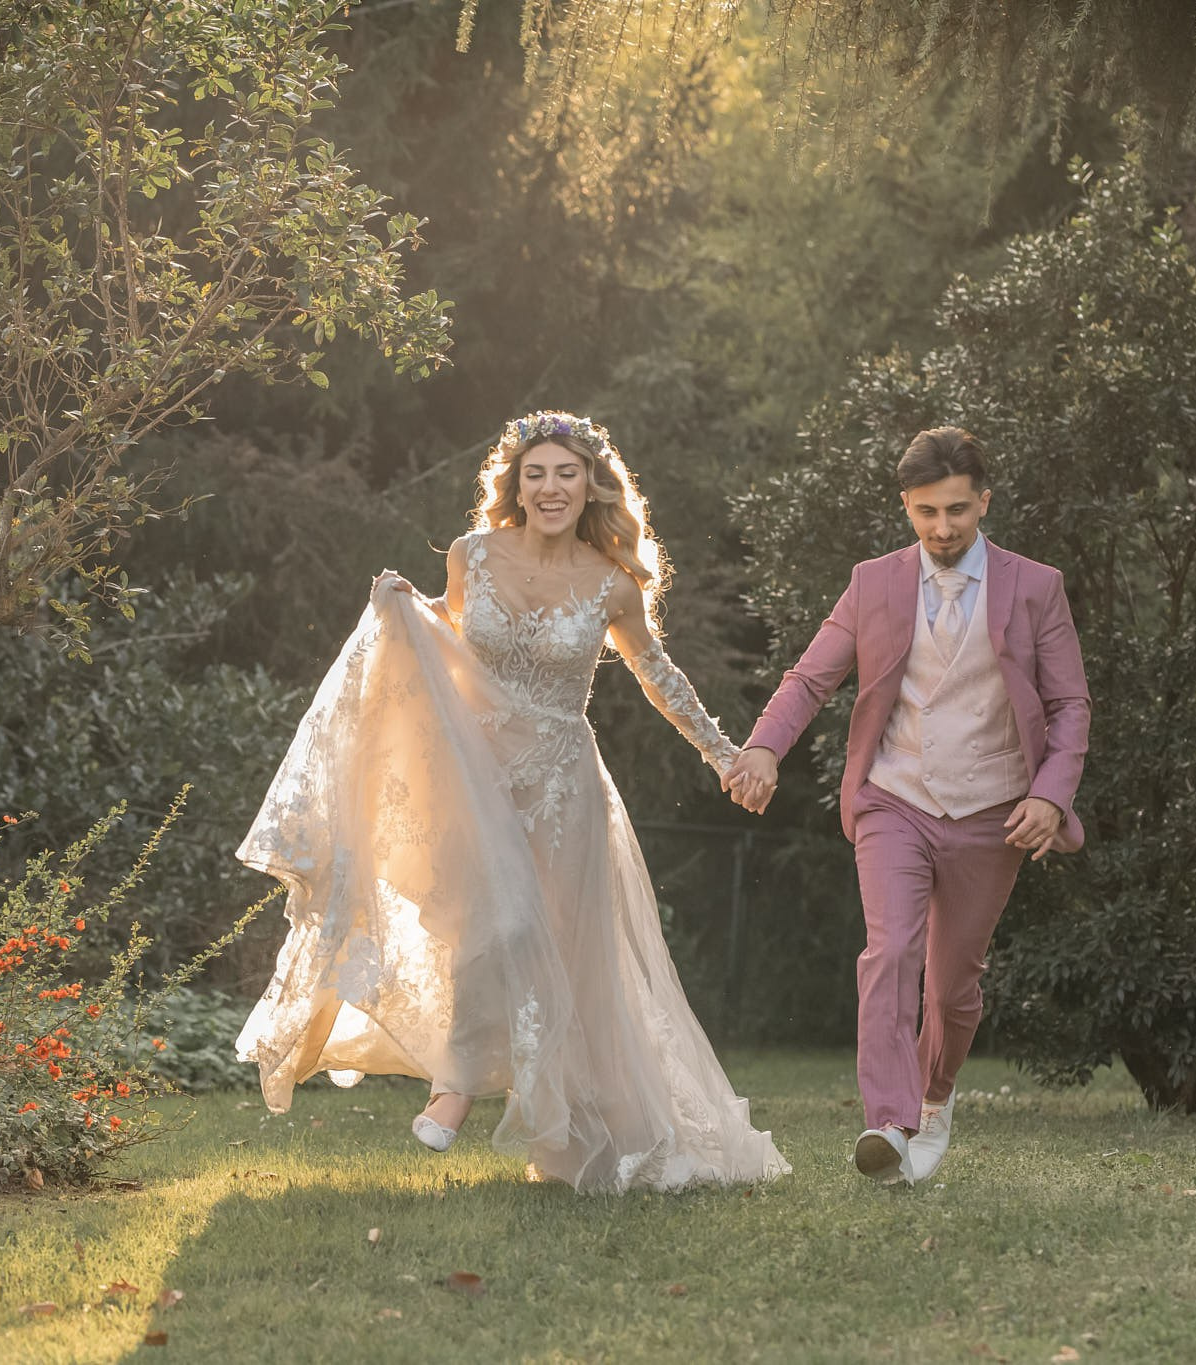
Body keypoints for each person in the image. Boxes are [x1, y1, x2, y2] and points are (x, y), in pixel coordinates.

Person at [234, 411, 789, 1193]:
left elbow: (659, 677)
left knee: (551, 941)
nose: (551, 487)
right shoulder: (473, 555)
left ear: (591, 484)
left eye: (566, 473)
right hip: (476, 774)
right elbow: (452, 643)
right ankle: (457, 1086)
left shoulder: (611, 584)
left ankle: (595, 1124)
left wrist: (724, 753)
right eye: (536, 474)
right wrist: (407, 608)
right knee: (487, 926)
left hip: (561, 783)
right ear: (516, 484)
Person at [724, 426, 1090, 1187]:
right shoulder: (874, 583)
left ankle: (936, 1094)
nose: (943, 528)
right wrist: (763, 746)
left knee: (954, 985)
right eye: (927, 512)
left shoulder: (1036, 585)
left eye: (958, 510)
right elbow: (809, 678)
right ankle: (887, 1122)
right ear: (906, 507)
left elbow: (1070, 704)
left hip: (994, 811)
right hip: (895, 796)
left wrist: (1051, 797)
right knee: (889, 951)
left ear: (984, 502)